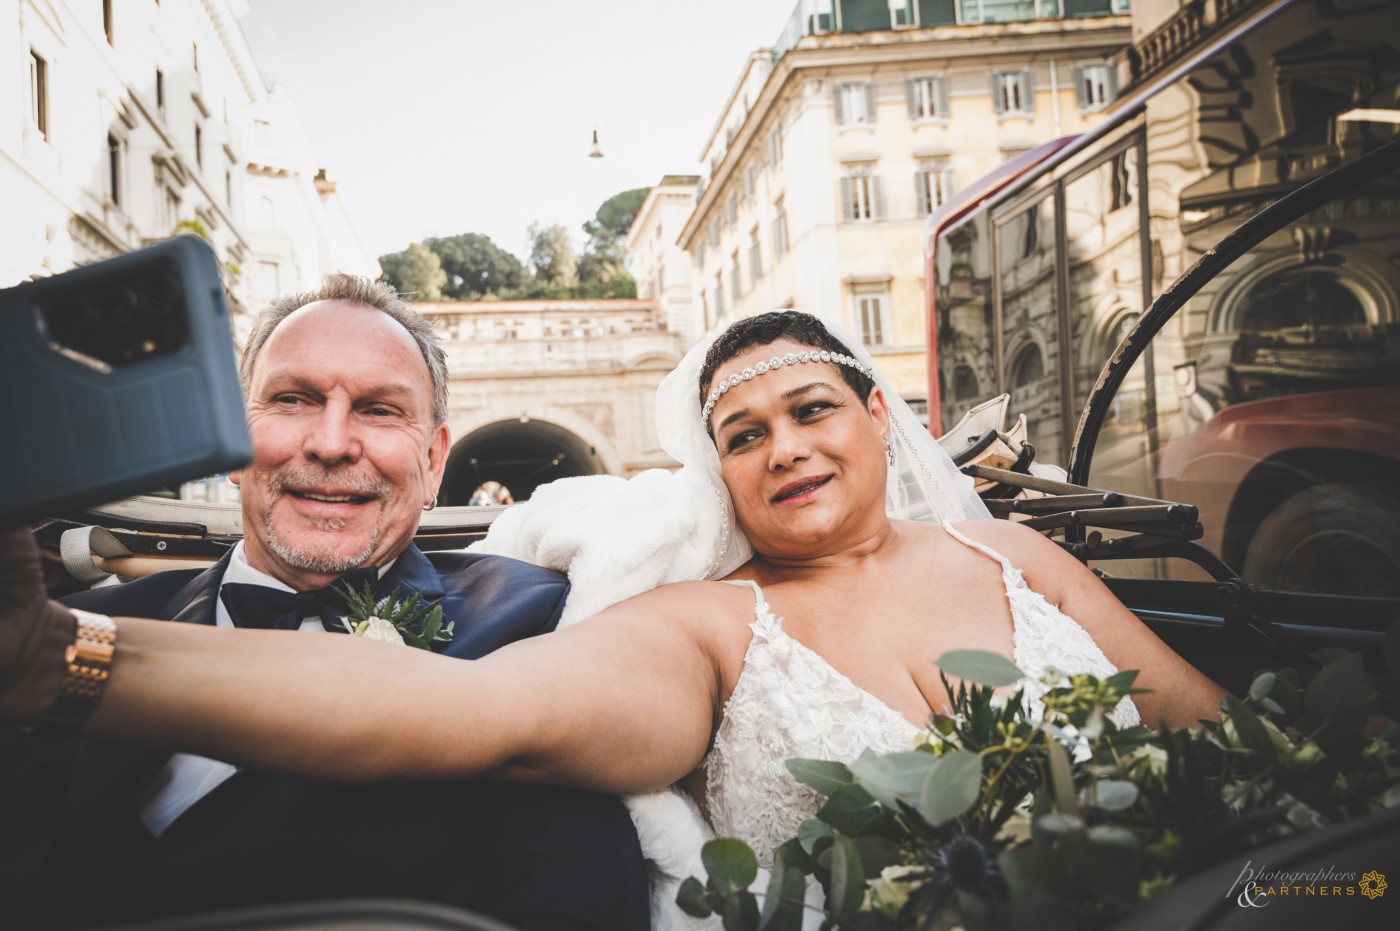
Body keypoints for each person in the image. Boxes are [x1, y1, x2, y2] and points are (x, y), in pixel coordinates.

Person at [0, 311, 1225, 928]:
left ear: (877, 412)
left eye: (809, 410)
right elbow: (492, 712)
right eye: (740, 435)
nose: (783, 447)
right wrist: (56, 653)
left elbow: (1231, 760)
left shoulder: (1011, 550)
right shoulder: (700, 623)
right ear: (710, 475)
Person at [0, 275, 650, 931]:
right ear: (231, 433)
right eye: (292, 399)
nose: (332, 443)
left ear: (432, 461)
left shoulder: (531, 624)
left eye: (378, 409)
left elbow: (581, 897)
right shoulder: (80, 623)